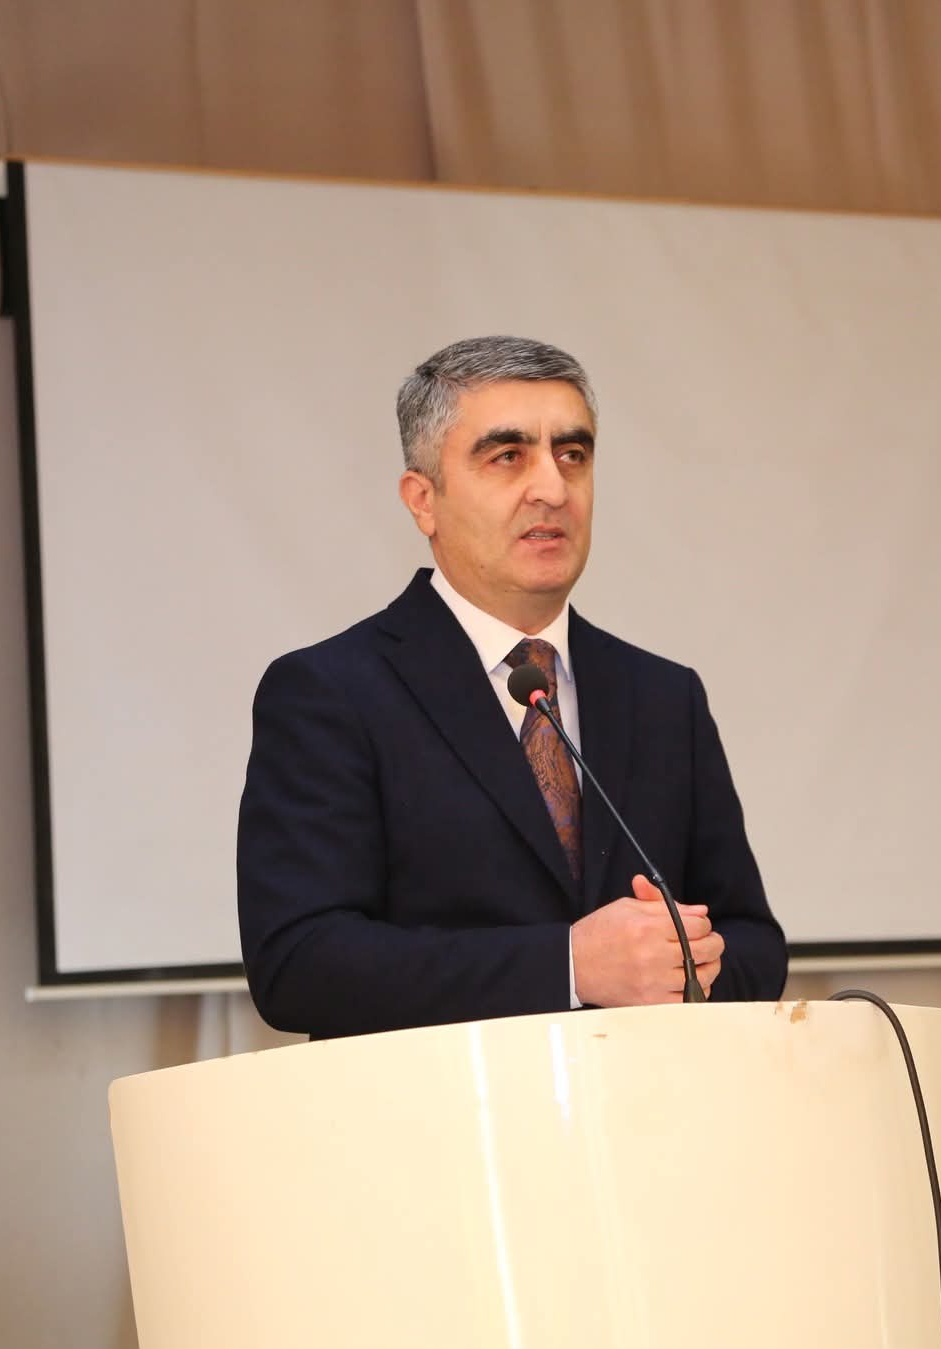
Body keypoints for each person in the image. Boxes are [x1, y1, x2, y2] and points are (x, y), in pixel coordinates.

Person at [237, 336, 788, 1039]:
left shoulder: (663, 696)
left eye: (573, 454)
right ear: (423, 501)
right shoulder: (330, 694)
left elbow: (754, 943)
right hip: (435, 1106)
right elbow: (300, 965)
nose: (553, 489)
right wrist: (571, 965)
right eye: (508, 456)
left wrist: (688, 962)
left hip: (643, 1104)